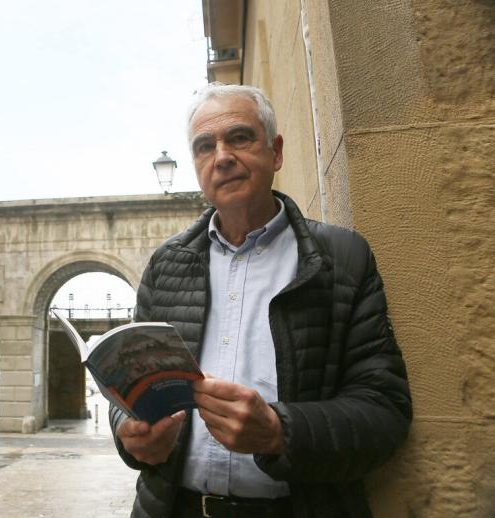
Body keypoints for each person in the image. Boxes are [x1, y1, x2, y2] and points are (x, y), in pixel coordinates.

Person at [110, 83, 412, 518]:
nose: (222, 157)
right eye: (204, 146)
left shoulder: (341, 260)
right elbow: (127, 394)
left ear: (276, 152)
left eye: (239, 137)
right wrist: (130, 433)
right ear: (196, 166)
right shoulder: (165, 266)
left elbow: (385, 411)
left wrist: (278, 431)